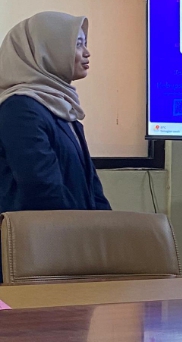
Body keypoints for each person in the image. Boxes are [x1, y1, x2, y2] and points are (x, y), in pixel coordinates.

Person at [0, 11, 111, 216]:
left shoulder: (61, 106)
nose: (87, 53)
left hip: (74, 229)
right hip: (49, 232)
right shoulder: (20, 109)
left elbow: (91, 188)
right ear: (46, 51)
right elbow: (43, 189)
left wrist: (105, 226)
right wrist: (81, 228)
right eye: (78, 44)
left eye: (84, 44)